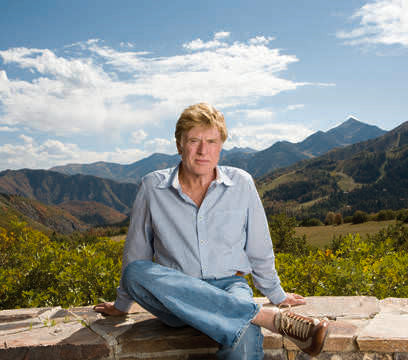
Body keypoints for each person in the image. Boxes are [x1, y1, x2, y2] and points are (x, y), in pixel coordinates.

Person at [94, 103, 328, 359]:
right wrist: (122, 305)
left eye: (211, 141)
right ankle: (264, 317)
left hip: (229, 287)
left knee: (244, 339)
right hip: (174, 298)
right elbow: (136, 251)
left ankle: (249, 315)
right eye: (194, 140)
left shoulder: (242, 183)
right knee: (135, 271)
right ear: (179, 145)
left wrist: (276, 294)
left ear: (221, 146)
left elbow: (259, 248)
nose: (203, 150)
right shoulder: (153, 187)